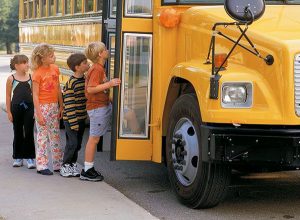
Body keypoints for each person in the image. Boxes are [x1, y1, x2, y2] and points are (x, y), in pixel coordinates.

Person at [80, 42, 121, 181]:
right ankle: (87, 170)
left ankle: (88, 168)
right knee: (94, 138)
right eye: (105, 49)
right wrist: (110, 83)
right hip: (97, 108)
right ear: (100, 54)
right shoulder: (97, 69)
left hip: (102, 105)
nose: (107, 50)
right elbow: (91, 89)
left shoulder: (99, 68)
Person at [31, 43, 63, 175]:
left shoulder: (55, 69)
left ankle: (57, 163)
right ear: (42, 59)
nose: (54, 57)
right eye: (51, 56)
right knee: (42, 136)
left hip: (54, 105)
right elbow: (35, 95)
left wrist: (61, 105)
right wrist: (38, 113)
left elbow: (58, 87)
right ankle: (42, 165)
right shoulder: (37, 74)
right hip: (42, 107)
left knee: (55, 135)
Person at [60, 53, 89, 177]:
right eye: (85, 63)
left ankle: (72, 164)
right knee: (71, 143)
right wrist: (73, 122)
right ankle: (65, 165)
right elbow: (69, 104)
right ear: (77, 67)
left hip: (81, 118)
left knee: (77, 144)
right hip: (71, 119)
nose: (88, 65)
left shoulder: (85, 80)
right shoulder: (71, 83)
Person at [5, 55, 36, 169]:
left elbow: (34, 95)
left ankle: (30, 158)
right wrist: (9, 112)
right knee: (17, 132)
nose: (27, 65)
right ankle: (18, 157)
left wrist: (35, 110)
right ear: (16, 66)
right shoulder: (11, 78)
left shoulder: (31, 77)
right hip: (16, 108)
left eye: (27, 62)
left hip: (29, 108)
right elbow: (8, 96)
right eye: (24, 63)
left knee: (28, 132)